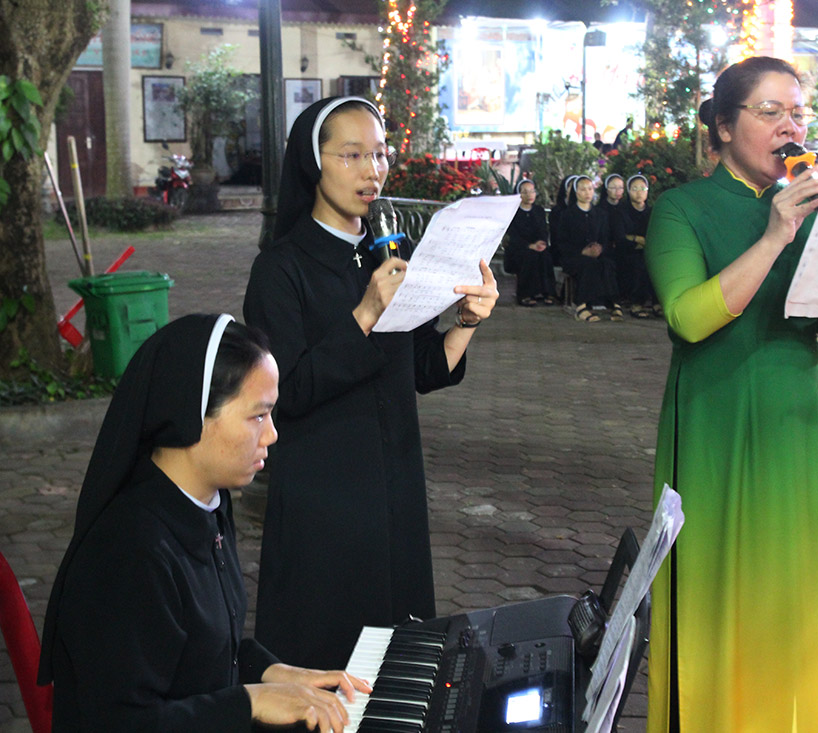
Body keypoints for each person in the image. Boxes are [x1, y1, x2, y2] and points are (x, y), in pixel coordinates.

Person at [644, 56, 818, 732]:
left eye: (797, 112)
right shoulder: (683, 207)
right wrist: (775, 234)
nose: (790, 126)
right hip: (715, 422)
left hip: (792, 423)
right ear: (726, 126)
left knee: (783, 599)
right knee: (716, 593)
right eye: (771, 111)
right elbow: (689, 316)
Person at [243, 97, 499, 670]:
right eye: (352, 154)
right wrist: (364, 314)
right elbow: (288, 392)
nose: (372, 171)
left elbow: (421, 370)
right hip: (324, 502)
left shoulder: (389, 252)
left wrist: (466, 321)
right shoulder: (280, 270)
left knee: (397, 667)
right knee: (329, 669)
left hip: (396, 491)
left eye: (380, 154)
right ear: (314, 163)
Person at [38, 314, 370, 731]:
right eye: (257, 416)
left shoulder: (207, 504)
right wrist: (248, 701)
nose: (272, 435)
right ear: (191, 414)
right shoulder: (129, 552)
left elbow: (207, 648)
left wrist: (271, 672)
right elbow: (119, 721)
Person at [558, 174, 622, 322]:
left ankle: (614, 303)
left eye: (590, 189)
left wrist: (600, 249)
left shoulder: (600, 214)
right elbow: (562, 242)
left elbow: (606, 238)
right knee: (587, 264)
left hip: (597, 255)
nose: (587, 193)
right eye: (583, 189)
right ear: (576, 192)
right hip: (574, 256)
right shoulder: (567, 215)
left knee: (608, 264)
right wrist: (582, 251)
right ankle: (581, 305)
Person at [504, 178, 557, 306]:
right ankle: (525, 294)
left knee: (546, 256)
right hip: (518, 248)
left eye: (532, 191)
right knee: (528, 256)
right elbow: (513, 236)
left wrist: (542, 243)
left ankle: (547, 292)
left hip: (537, 247)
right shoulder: (513, 212)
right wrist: (529, 245)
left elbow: (543, 230)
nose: (529, 195)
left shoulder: (538, 211)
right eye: (525, 192)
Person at [612, 174, 655, 318]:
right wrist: (638, 240)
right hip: (626, 253)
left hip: (647, 251)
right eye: (635, 188)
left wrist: (635, 238)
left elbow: (654, 236)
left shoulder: (652, 213)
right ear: (629, 191)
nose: (639, 192)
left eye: (643, 188)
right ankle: (637, 303)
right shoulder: (621, 212)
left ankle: (657, 302)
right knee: (638, 263)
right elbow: (620, 237)